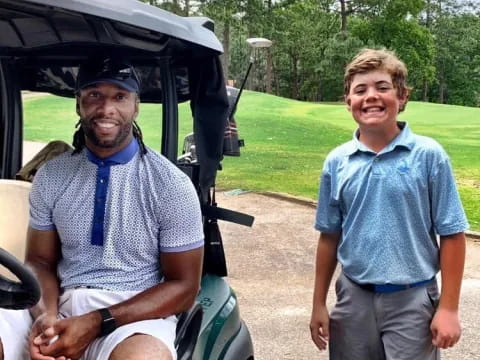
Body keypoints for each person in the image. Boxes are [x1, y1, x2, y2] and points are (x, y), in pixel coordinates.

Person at [0, 57, 204, 360]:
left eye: (119, 96)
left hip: (132, 315)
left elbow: (184, 286)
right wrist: (47, 317)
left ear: (135, 106)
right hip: (60, 302)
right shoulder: (52, 176)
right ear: (79, 103)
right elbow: (40, 262)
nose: (106, 109)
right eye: (94, 94)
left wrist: (98, 321)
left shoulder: (169, 184)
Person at [310, 48, 469, 360]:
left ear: (402, 97)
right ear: (348, 102)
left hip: (412, 300)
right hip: (353, 299)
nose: (371, 96)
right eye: (360, 90)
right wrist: (318, 303)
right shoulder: (337, 162)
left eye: (382, 87)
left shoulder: (428, 156)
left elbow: (452, 234)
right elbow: (329, 236)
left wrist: (448, 308)